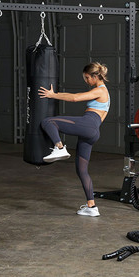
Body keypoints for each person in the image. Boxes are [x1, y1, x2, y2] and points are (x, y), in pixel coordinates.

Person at [38, 62, 110, 217]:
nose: (86, 81)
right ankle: (92, 207)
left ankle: (59, 147)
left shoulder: (100, 90)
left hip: (89, 124)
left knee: (48, 122)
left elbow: (76, 98)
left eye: (87, 78)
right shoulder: (103, 92)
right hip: (93, 131)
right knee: (81, 169)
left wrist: (53, 95)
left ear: (94, 76)